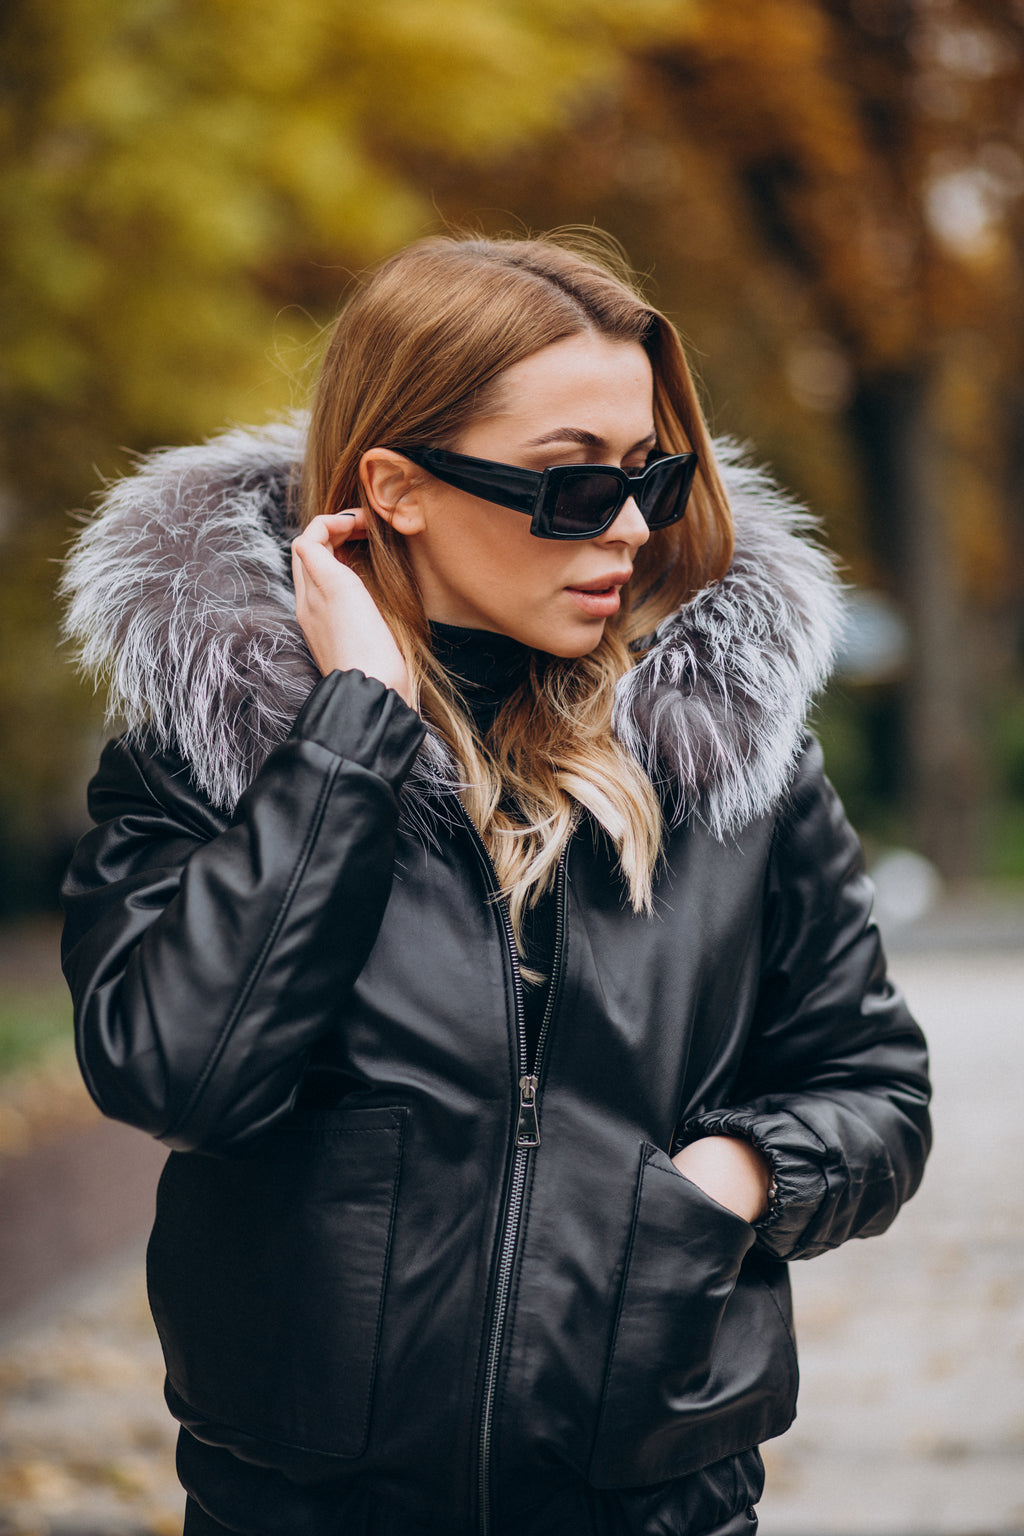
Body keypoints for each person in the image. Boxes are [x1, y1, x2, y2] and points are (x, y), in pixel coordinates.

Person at [60, 232, 931, 1536]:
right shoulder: (215, 750)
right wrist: (349, 731)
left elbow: (875, 1091)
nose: (632, 529)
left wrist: (733, 1177)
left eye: (652, 476)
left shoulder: (729, 756)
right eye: (570, 485)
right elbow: (182, 1072)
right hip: (298, 1509)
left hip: (655, 1504)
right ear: (396, 488)